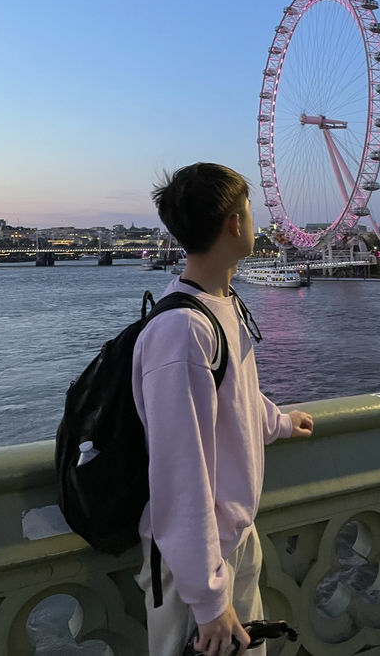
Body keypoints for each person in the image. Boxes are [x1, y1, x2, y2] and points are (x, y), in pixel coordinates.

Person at [132, 162, 313, 656]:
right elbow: (180, 472)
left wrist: (277, 422)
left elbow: (234, 397)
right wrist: (210, 599)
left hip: (231, 538)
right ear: (235, 223)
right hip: (197, 567)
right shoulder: (181, 334)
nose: (257, 223)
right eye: (251, 212)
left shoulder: (219, 304)